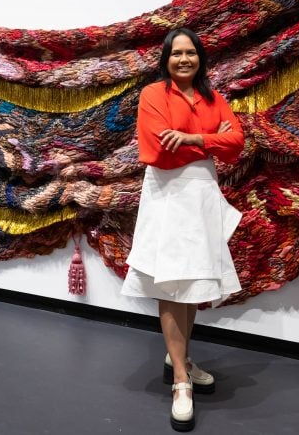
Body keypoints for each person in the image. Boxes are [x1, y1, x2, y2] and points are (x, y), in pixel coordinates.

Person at [120, 27, 245, 432]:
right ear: (166, 59)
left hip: (202, 196)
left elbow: (238, 143)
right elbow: (157, 151)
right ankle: (179, 381)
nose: (184, 59)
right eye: (177, 53)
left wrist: (191, 137)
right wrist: (213, 140)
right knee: (173, 283)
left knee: (192, 284)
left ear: (200, 58)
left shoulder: (213, 98)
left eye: (191, 53)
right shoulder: (153, 95)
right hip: (169, 195)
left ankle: (180, 358)